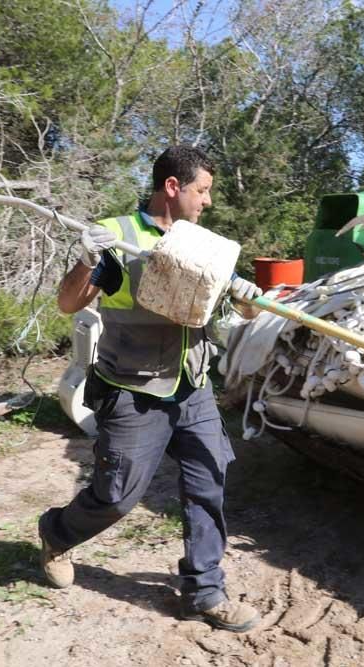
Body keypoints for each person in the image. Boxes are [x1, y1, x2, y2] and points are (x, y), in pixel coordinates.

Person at [38, 145, 263, 633]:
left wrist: (246, 300)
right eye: (201, 191)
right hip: (135, 390)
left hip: (193, 387)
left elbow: (234, 310)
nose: (206, 202)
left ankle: (205, 592)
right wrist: (88, 258)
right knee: (117, 496)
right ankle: (56, 533)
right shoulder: (117, 237)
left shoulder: (204, 245)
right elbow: (68, 302)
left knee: (208, 482)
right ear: (173, 187)